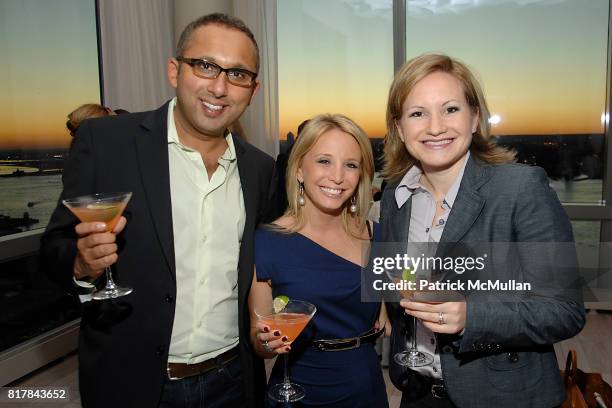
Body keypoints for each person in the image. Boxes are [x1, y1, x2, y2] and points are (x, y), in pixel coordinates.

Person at [41, 13, 276, 408]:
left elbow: (264, 265)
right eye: (205, 66)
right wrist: (82, 266)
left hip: (233, 380)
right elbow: (53, 249)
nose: (219, 87)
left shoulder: (260, 169)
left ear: (252, 90)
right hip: (132, 381)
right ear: (174, 70)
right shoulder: (107, 143)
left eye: (237, 74)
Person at [379, 54, 585, 407]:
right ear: (400, 128)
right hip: (418, 394)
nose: (435, 127)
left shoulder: (521, 188)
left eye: (450, 109)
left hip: (503, 397)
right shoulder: (395, 196)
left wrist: (470, 316)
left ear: (475, 117)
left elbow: (565, 310)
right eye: (417, 113)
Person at [249, 114, 390, 407]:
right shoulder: (266, 242)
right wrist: (267, 342)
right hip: (297, 389)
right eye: (324, 161)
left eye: (351, 165)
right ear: (299, 169)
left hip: (364, 386)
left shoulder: (377, 236)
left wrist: (386, 303)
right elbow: (258, 338)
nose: (337, 176)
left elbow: (406, 292)